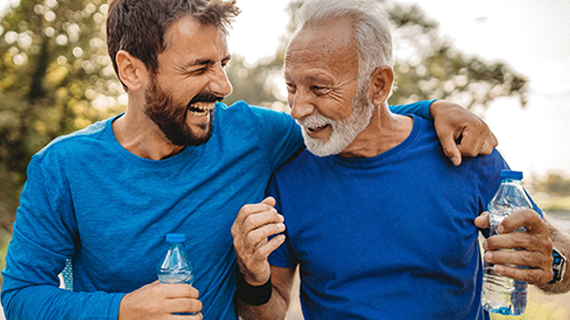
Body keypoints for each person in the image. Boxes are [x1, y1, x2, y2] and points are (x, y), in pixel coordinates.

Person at [1, 0, 499, 319]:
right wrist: (120, 311)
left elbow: (351, 120)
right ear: (131, 70)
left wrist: (434, 110)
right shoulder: (62, 168)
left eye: (222, 64)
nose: (221, 86)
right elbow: (19, 294)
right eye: (199, 67)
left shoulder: (254, 136)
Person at [231, 0, 570, 319]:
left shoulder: (464, 152)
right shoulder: (287, 181)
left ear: (378, 85)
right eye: (291, 86)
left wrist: (551, 264)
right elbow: (268, 311)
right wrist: (253, 277)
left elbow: (558, 263)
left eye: (319, 88)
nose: (298, 109)